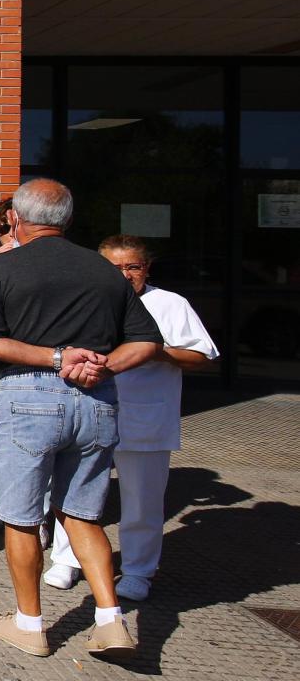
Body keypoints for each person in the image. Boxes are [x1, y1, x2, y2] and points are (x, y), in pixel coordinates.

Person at [0, 178, 163, 660]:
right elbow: (146, 341)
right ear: (68, 220)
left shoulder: (1, 268)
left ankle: (30, 624)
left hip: (28, 397)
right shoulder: (104, 272)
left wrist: (57, 358)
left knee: (21, 517)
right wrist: (100, 364)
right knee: (83, 513)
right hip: (96, 400)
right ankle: (110, 620)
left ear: (14, 217)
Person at [45, 234, 218, 602]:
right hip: (89, 411)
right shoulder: (85, 299)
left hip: (145, 417)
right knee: (75, 490)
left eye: (132, 267)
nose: (124, 275)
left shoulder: (170, 304)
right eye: (114, 267)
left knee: (142, 501)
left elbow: (202, 356)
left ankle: (139, 570)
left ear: (146, 268)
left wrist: (156, 353)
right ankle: (66, 559)